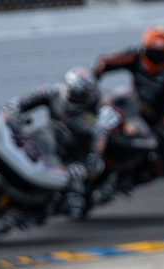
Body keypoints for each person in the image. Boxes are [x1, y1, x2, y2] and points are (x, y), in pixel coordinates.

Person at [8, 66, 116, 218]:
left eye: (79, 96)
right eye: (72, 94)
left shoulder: (98, 112)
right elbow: (23, 102)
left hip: (71, 157)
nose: (74, 98)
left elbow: (97, 147)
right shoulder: (52, 91)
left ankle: (45, 209)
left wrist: (85, 165)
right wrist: (12, 112)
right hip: (47, 142)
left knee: (74, 205)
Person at [93, 26, 164, 184]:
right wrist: (91, 79)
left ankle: (136, 178)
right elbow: (105, 63)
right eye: (153, 53)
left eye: (161, 55)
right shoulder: (135, 56)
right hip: (133, 113)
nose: (156, 59)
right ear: (145, 49)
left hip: (157, 122)